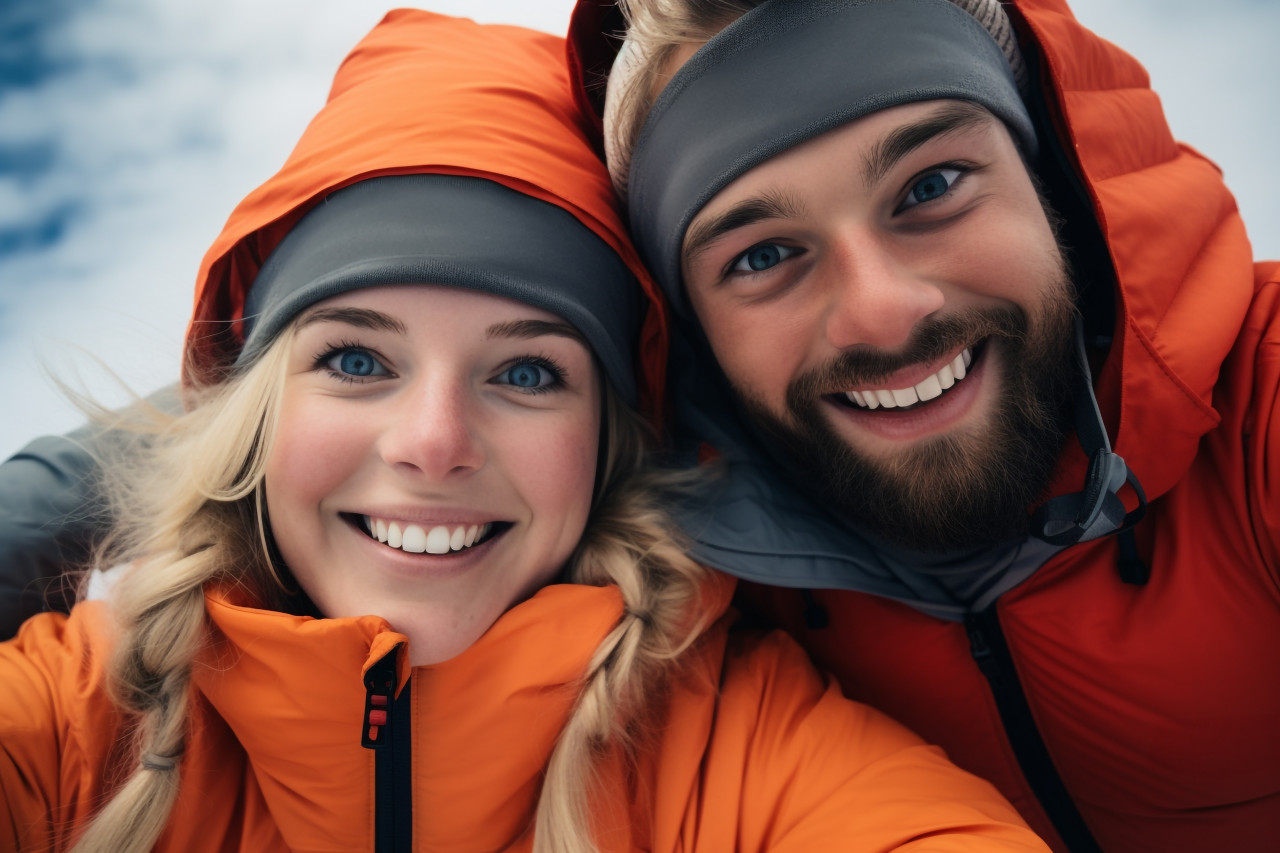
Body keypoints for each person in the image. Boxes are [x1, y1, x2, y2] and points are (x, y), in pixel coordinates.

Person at [0, 9, 1050, 853]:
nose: (432, 441)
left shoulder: (736, 754)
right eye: (356, 360)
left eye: (525, 371)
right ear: (254, 411)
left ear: (610, 441)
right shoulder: (81, 722)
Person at [562, 0, 1280, 850]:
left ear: (1048, 178)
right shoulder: (680, 616)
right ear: (694, 338)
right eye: (761, 255)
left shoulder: (1257, 400)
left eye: (930, 187)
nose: (883, 312)